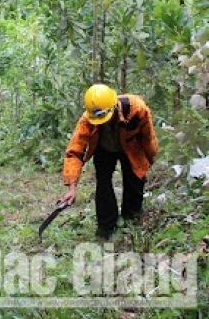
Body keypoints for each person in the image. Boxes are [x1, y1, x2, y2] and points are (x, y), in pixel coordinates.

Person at [58, 84, 158, 240]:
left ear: (114, 107)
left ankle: (130, 221)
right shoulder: (87, 120)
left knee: (135, 181)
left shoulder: (137, 109)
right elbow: (75, 151)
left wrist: (150, 159)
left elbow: (148, 137)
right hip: (104, 148)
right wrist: (72, 187)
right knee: (103, 184)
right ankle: (106, 228)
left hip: (132, 147)